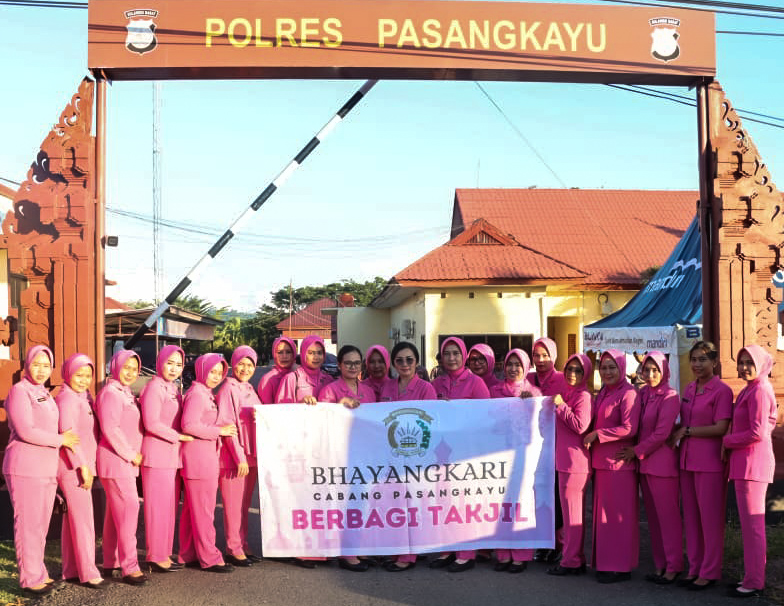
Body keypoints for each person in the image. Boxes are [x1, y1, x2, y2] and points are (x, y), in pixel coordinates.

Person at [3, 345, 79, 596]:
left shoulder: (44, 394)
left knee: (40, 526)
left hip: (45, 468)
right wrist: (62, 440)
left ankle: (40, 573)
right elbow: (26, 431)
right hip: (25, 467)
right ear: (26, 365)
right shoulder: (19, 391)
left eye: (46, 365)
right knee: (27, 525)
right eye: (36, 364)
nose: (41, 369)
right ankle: (30, 578)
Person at [669, 341, 732, 590]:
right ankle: (694, 568)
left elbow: (721, 427)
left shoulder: (722, 390)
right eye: (693, 359)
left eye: (702, 359)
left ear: (714, 362)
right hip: (686, 461)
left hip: (710, 463)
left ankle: (709, 571)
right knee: (692, 519)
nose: (696, 364)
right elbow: (681, 420)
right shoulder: (689, 388)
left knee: (710, 520)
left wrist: (688, 430)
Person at [615, 351, 682, 584]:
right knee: (653, 519)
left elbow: (662, 433)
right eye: (647, 370)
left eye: (655, 370)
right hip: (644, 465)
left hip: (662, 464)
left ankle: (674, 566)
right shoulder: (642, 394)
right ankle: (660, 565)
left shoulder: (670, 396)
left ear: (664, 371)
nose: (651, 374)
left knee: (668, 518)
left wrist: (636, 451)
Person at [430, 336, 490, 572]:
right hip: (441, 454)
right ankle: (447, 549)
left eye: (456, 353)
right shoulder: (436, 384)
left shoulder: (476, 383)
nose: (452, 358)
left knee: (463, 503)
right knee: (444, 501)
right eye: (447, 353)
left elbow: (485, 416)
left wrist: (454, 408)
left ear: (463, 356)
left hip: (466, 453)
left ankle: (466, 553)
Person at [722, 345, 777, 598]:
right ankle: (751, 577)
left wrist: (727, 440)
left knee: (753, 527)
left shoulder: (760, 391)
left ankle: (755, 581)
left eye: (749, 363)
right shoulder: (752, 389)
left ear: (761, 364)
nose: (744, 367)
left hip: (752, 465)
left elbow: (758, 432)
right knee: (750, 526)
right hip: (747, 465)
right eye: (741, 362)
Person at [583, 349, 640, 583]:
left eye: (611, 367)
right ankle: (607, 563)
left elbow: (629, 428)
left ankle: (620, 566)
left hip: (618, 464)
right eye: (603, 367)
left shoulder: (629, 393)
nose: (606, 372)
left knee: (619, 517)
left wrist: (598, 434)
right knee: (603, 517)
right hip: (602, 464)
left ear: (622, 368)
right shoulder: (605, 392)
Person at [318, 345, 377, 572]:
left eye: (357, 363)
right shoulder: (330, 390)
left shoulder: (369, 390)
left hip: (367, 455)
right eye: (348, 363)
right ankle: (347, 553)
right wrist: (337, 407)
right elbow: (322, 420)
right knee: (346, 504)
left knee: (364, 503)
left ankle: (360, 549)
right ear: (340, 365)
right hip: (342, 455)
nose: (353, 367)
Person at [381, 341, 436, 572]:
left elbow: (431, 425)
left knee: (412, 506)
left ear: (417, 362)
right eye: (400, 360)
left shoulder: (426, 388)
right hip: (391, 457)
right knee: (394, 505)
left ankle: (408, 556)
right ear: (393, 363)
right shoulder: (387, 388)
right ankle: (395, 550)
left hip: (416, 458)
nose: (405, 364)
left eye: (409, 360)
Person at [178, 353, 237, 573]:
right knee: (204, 511)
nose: (215, 376)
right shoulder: (197, 395)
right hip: (199, 460)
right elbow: (189, 425)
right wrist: (219, 431)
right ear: (201, 370)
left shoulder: (203, 393)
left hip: (200, 458)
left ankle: (188, 553)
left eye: (219, 372)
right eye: (211, 371)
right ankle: (209, 557)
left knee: (193, 511)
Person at [96, 350, 148, 586]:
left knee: (114, 515)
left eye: (134, 369)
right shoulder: (111, 393)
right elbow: (110, 428)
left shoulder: (123, 392)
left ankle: (111, 561)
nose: (130, 372)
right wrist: (131, 454)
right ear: (115, 366)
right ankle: (130, 566)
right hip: (117, 461)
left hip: (122, 462)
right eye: (125, 367)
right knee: (129, 511)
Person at [140, 345, 192, 573]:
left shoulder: (171, 388)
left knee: (169, 508)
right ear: (160, 362)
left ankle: (164, 552)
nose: (174, 368)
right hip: (157, 454)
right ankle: (155, 555)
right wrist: (178, 436)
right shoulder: (154, 388)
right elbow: (151, 423)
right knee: (157, 508)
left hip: (172, 456)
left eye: (178, 365)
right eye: (169, 363)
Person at [56, 353, 106, 589]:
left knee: (73, 520)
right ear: (68, 374)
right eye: (79, 374)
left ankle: (71, 569)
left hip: (81, 464)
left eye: (88, 375)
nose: (84, 379)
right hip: (73, 466)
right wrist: (82, 466)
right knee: (84, 520)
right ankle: (89, 572)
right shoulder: (66, 399)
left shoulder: (82, 398)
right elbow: (69, 437)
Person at [490, 349, 541, 573]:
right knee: (498, 506)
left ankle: (520, 555)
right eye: (509, 363)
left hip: (523, 458)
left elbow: (542, 425)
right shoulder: (494, 391)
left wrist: (532, 405)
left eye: (517, 364)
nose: (512, 368)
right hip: (497, 457)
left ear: (526, 367)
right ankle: (503, 554)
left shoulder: (535, 392)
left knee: (520, 505)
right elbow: (484, 419)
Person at [546, 353, 592, 577]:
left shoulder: (583, 396)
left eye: (578, 370)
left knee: (573, 516)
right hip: (565, 461)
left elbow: (580, 426)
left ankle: (571, 560)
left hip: (575, 464)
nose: (572, 374)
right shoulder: (568, 393)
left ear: (585, 374)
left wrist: (562, 406)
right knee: (569, 515)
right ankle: (574, 557)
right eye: (569, 369)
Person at [217, 345, 262, 566]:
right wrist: (239, 456)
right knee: (233, 505)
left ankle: (242, 543)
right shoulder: (228, 389)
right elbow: (227, 425)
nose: (245, 368)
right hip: (234, 458)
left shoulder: (249, 389)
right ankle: (233, 547)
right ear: (233, 364)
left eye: (250, 364)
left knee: (244, 504)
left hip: (251, 455)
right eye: (241, 363)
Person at [529, 337, 566, 563]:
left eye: (545, 355)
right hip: (533, 450)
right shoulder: (528, 379)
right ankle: (541, 542)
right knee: (537, 497)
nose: (540, 360)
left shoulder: (563, 379)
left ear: (554, 356)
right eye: (536, 355)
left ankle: (558, 543)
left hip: (556, 447)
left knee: (556, 499)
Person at [276, 335, 333, 405]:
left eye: (319, 353)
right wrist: (301, 403)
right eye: (311, 353)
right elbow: (281, 410)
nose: (316, 357)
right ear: (303, 354)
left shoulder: (328, 380)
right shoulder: (291, 379)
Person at [257, 336, 297, 404]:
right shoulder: (267, 379)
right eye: (280, 352)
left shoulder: (299, 376)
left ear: (294, 354)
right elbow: (265, 410)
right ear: (274, 354)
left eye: (288, 352)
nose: (284, 356)